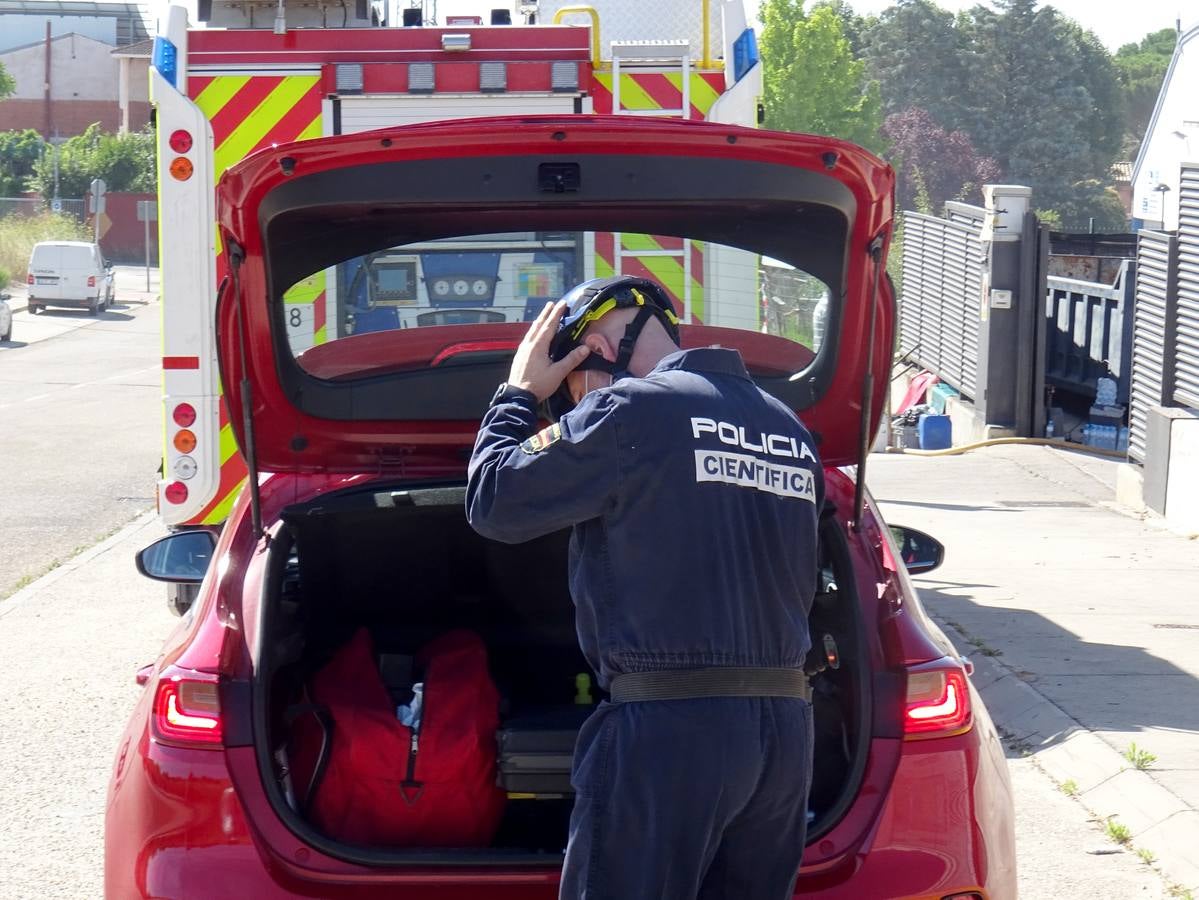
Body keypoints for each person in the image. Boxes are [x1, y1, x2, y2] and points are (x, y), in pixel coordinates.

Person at [466, 275, 825, 900]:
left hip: (670, 732)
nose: (572, 409)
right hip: (785, 740)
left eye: (569, 393)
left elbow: (494, 500)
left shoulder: (628, 410)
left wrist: (519, 393)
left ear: (595, 353)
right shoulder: (789, 430)